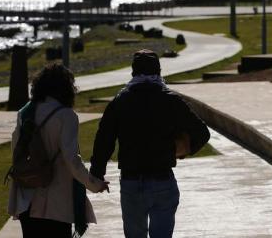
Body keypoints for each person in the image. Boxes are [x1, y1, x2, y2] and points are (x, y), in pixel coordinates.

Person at [90, 49, 210, 238]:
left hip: (131, 182)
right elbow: (202, 133)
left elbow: (104, 139)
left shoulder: (120, 101)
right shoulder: (171, 100)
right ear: (159, 72)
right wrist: (181, 151)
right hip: (162, 179)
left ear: (133, 73)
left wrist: (97, 174)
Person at [8, 63, 109, 238]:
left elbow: (16, 152)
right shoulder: (66, 116)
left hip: (27, 199)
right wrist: (94, 183)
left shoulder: (24, 113)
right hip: (56, 203)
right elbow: (72, 160)